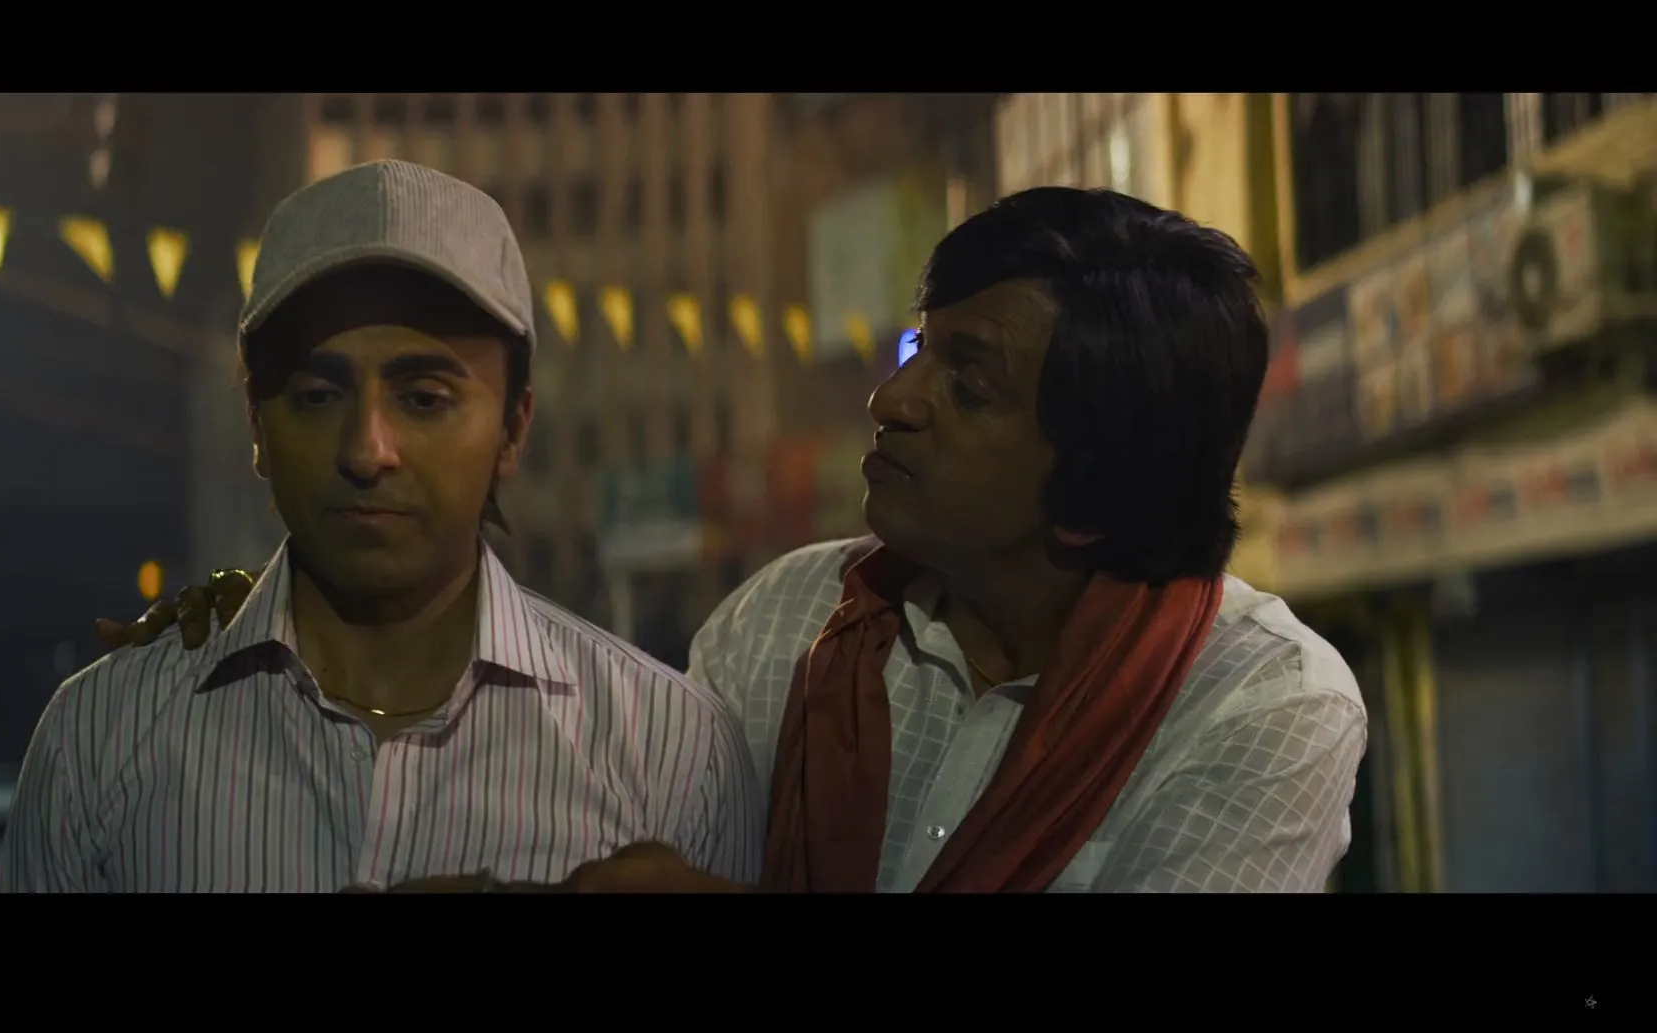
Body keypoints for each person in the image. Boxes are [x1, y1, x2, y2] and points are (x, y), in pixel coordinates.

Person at [103, 186, 1367, 893]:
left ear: (1088, 489)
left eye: (967, 385)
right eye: (917, 350)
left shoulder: (1261, 710)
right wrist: (286, 613)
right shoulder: (791, 627)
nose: (892, 399)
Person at [2, 160, 763, 893]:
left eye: (424, 398)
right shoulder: (99, 739)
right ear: (257, 424)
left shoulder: (671, 752)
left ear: (513, 427)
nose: (367, 452)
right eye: (316, 395)